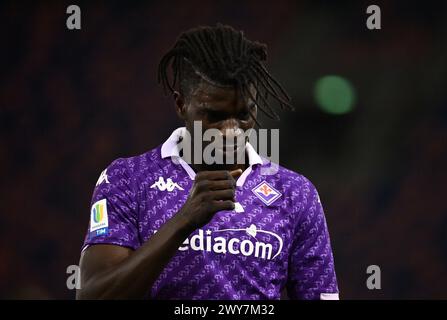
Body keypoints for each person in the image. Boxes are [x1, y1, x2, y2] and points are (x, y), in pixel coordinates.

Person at [76, 24, 339, 300]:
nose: (230, 131)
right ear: (181, 105)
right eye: (213, 116)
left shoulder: (295, 193)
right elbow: (94, 295)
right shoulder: (128, 179)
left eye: (243, 114)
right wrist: (184, 221)